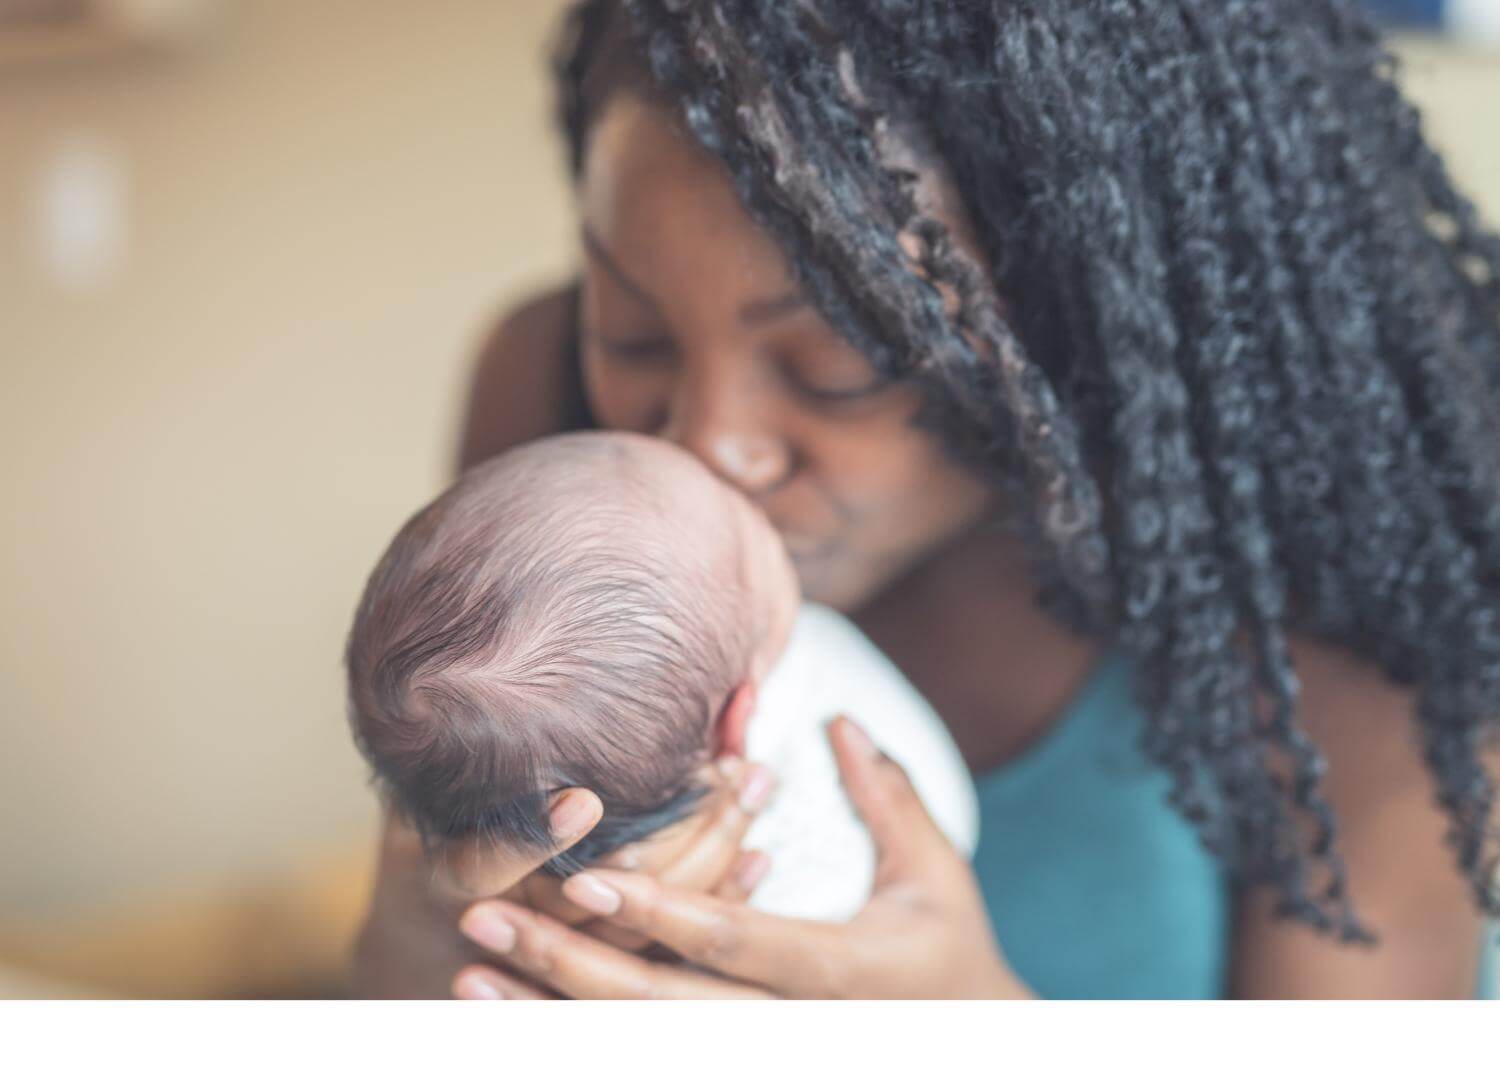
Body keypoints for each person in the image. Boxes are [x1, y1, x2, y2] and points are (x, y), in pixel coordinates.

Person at [351, 0, 1500, 998]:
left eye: (834, 369)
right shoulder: (551, 414)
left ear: (1083, 329)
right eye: (634, 330)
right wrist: (430, 928)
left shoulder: (1348, 634)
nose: (705, 443)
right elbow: (403, 994)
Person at [344, 431, 977, 925]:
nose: (726, 469)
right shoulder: (822, 826)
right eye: (745, 530)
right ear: (737, 722)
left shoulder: (526, 902)